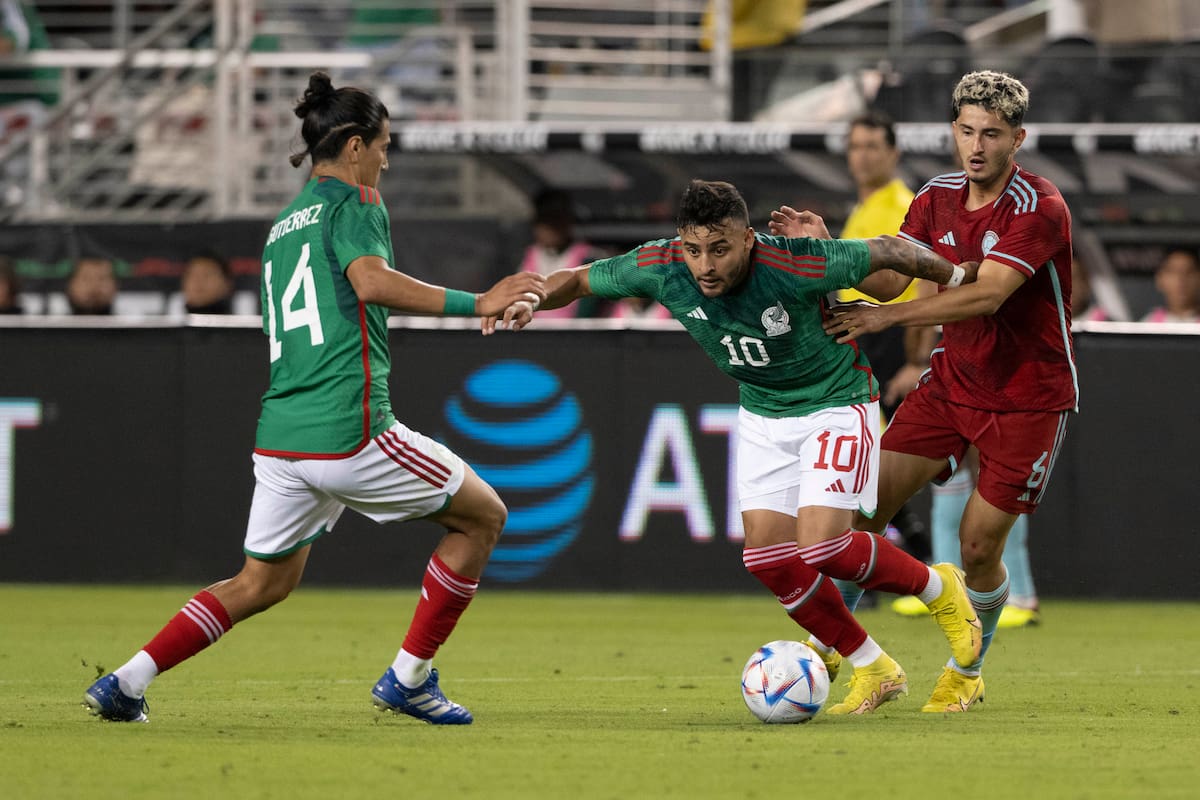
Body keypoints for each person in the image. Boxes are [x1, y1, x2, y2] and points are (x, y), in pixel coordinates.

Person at [83, 71, 546, 726]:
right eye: (384, 144)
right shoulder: (355, 202)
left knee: (261, 582)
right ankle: (409, 677)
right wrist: (482, 301)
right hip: (347, 428)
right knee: (483, 517)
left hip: (281, 436)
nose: (386, 159)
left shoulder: (282, 226)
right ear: (354, 144)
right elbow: (372, 283)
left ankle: (127, 681)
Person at [487, 178, 984, 716]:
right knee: (768, 559)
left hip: (835, 404)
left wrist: (961, 276)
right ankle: (873, 665)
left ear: (748, 239)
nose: (706, 265)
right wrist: (537, 295)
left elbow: (890, 250)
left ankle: (940, 588)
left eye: (720, 249)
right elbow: (580, 280)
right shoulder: (661, 265)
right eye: (695, 250)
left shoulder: (795, 263)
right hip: (763, 416)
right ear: (681, 242)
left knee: (822, 547)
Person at [809, 70, 1077, 712]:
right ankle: (838, 657)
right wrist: (828, 260)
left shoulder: (1040, 207)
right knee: (861, 515)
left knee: (979, 548)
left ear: (1018, 137)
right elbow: (888, 279)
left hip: (1028, 395)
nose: (976, 146)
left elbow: (985, 293)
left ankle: (968, 670)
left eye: (991, 134)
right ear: (952, 131)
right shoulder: (935, 197)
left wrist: (883, 320)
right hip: (951, 383)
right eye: (965, 131)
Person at [516, 189, 604, 320]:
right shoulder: (528, 257)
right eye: (543, 223)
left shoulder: (589, 259)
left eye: (555, 222)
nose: (548, 230)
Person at [1140, 246, 1200, 323]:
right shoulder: (1149, 324)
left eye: (1188, 272)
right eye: (1173, 272)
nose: (1181, 280)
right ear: (1160, 279)